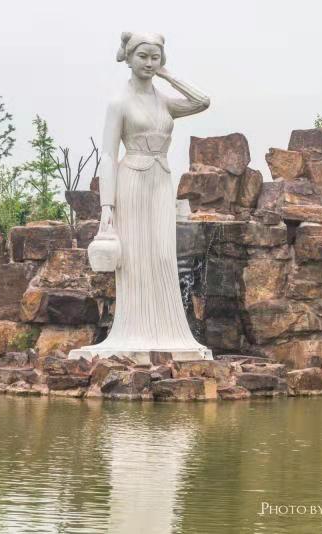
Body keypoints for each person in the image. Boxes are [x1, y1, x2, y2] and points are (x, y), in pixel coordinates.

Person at [71, 32, 212, 362]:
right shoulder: (119, 103)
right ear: (129, 58)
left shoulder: (164, 101)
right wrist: (107, 206)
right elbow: (107, 155)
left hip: (162, 180)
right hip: (131, 178)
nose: (149, 63)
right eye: (143, 57)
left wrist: (169, 75)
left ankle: (167, 329)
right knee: (134, 258)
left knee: (162, 256)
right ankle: (133, 330)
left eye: (155, 57)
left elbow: (202, 101)